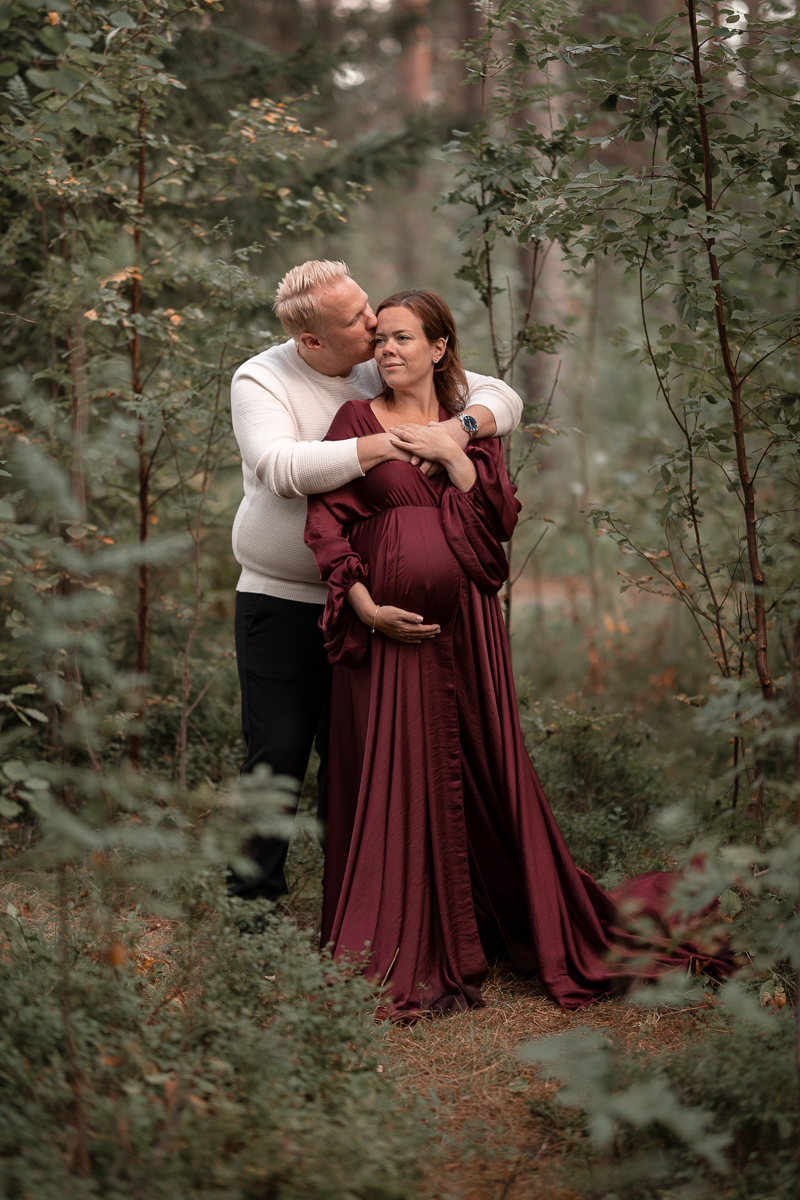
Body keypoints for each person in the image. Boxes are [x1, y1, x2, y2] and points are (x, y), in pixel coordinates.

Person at [304, 288, 730, 1016]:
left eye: (405, 338)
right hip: (381, 635)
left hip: (468, 628)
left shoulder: (471, 424)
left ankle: (489, 923)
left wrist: (456, 454)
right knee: (391, 770)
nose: (389, 351)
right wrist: (363, 603)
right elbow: (328, 520)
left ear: (440, 349)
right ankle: (403, 940)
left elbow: (498, 519)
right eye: (382, 341)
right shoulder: (353, 421)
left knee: (479, 765)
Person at [229, 261, 522, 901]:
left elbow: (501, 395)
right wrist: (387, 443)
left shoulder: (375, 357)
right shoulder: (262, 377)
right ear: (313, 342)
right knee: (276, 755)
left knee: (359, 759)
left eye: (370, 309)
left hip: (373, 608)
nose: (374, 326)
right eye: (359, 320)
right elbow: (281, 468)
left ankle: (362, 903)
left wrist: (456, 429)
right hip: (284, 599)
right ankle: (251, 913)